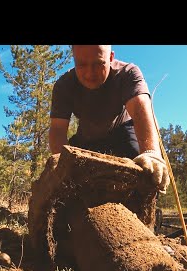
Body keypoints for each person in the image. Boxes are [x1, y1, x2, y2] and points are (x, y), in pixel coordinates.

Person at [49, 45, 170, 194]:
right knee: (66, 178)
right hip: (86, 139)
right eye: (82, 65)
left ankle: (143, 210)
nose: (90, 73)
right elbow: (58, 130)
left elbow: (140, 110)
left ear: (111, 58)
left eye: (98, 64)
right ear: (74, 60)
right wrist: (61, 164)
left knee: (145, 171)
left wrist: (151, 152)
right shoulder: (64, 86)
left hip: (122, 133)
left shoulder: (127, 73)